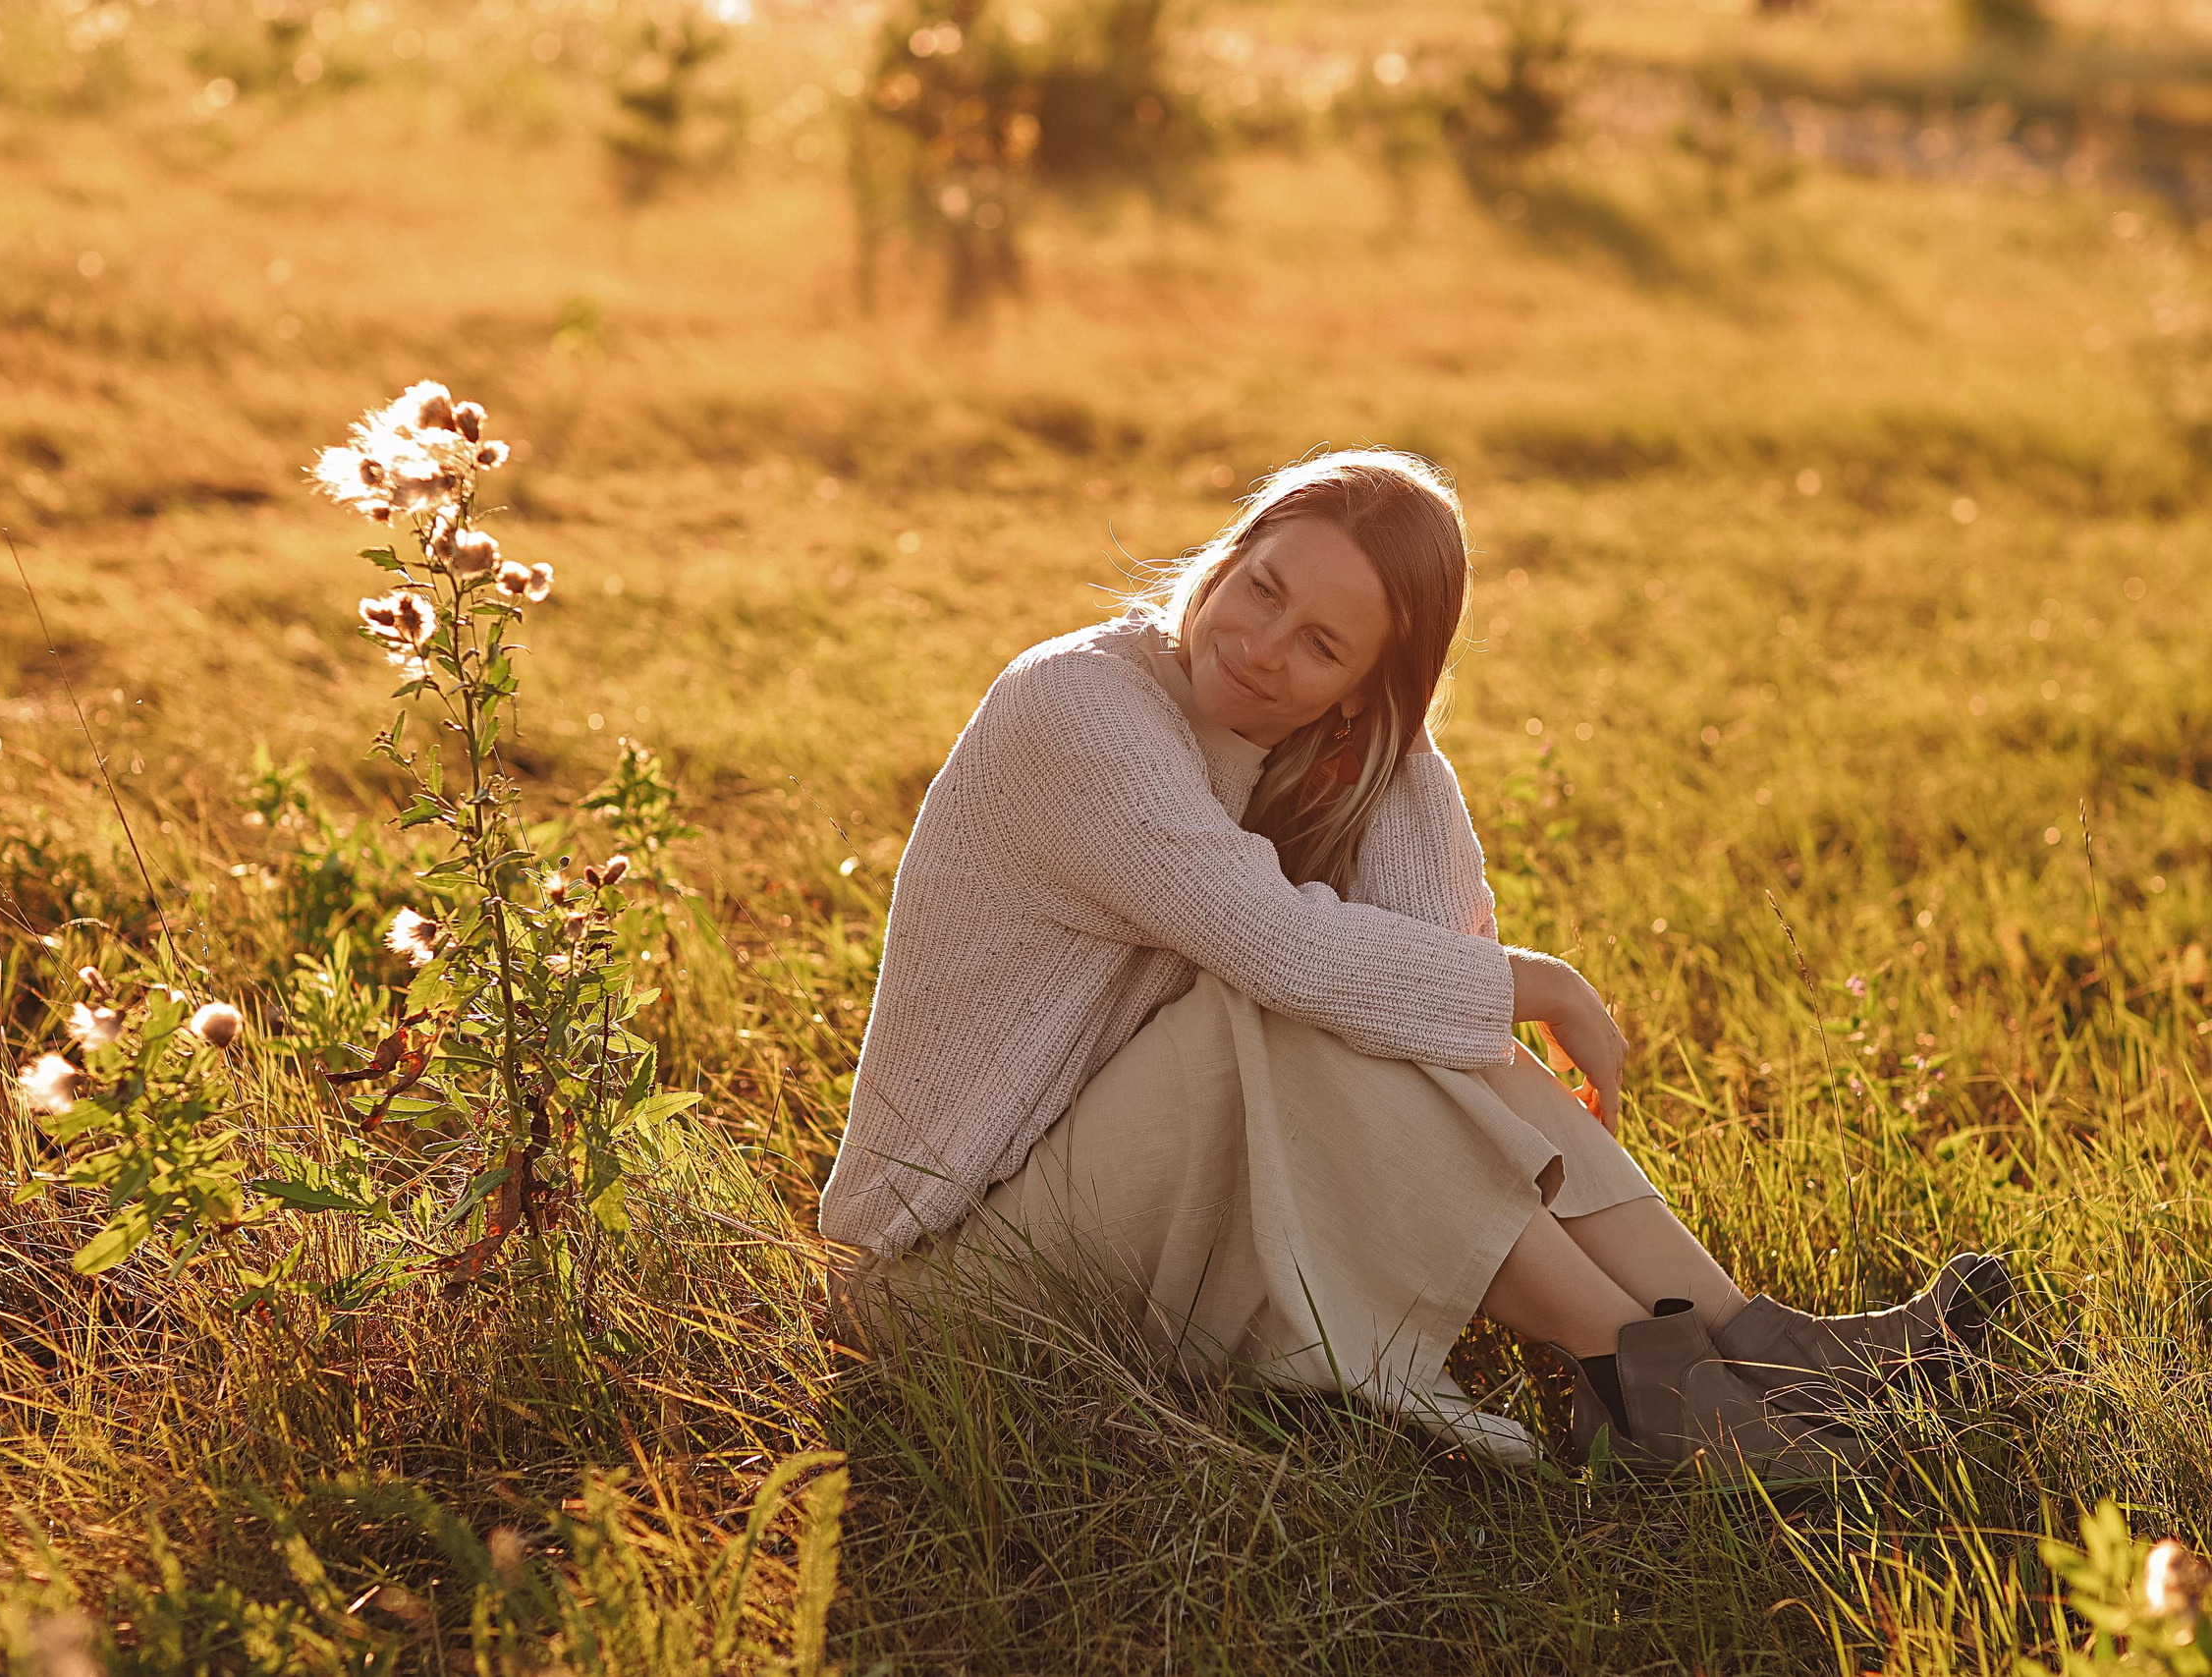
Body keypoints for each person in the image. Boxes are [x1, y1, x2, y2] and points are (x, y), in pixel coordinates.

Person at [818, 448, 2008, 1476]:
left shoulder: (1297, 741)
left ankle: (1743, 1345)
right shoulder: (1078, 708)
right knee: (1286, 1005)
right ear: (1225, 555)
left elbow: (1432, 979)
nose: (1261, 644)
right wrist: (1543, 981)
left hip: (1118, 1205)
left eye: (1323, 644)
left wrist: (1388, 743)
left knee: (1384, 1001)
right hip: (947, 1292)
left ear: (1361, 686)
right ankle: (1646, 1385)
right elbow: (1287, 952)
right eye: (1261, 587)